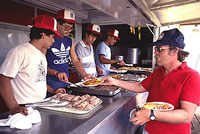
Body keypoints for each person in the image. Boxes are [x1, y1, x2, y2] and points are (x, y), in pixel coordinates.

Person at [102, 28, 200, 134]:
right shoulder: (159, 72)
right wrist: (114, 82)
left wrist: (151, 114)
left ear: (175, 51)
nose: (155, 52)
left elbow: (186, 115)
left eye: (159, 49)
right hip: (149, 130)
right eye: (155, 48)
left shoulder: (191, 76)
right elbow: (140, 87)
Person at [0, 15, 66, 115]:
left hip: (40, 104)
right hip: (24, 107)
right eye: (52, 37)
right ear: (43, 35)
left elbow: (39, 79)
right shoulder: (20, 51)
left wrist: (53, 91)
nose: (53, 41)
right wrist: (14, 107)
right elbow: (3, 79)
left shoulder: (41, 55)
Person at [45, 9, 95, 96]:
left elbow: (75, 61)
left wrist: (84, 75)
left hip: (65, 82)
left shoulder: (69, 41)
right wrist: (56, 73)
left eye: (71, 28)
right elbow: (41, 66)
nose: (69, 30)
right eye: (66, 27)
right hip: (51, 83)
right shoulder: (48, 39)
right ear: (58, 24)